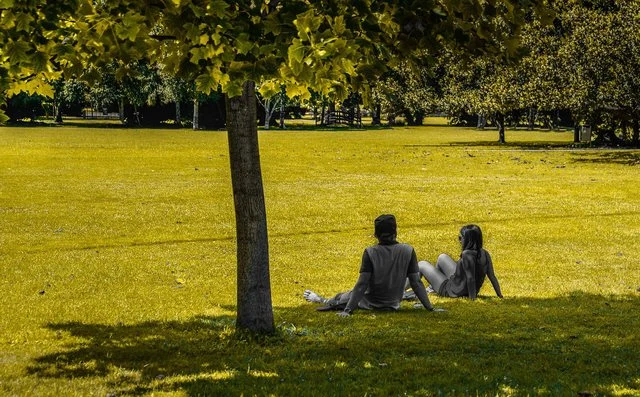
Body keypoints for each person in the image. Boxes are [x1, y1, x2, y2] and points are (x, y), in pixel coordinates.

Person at [304, 214, 444, 316]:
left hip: (369, 302)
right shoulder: (408, 251)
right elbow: (416, 282)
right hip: (392, 304)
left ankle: (320, 299)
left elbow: (362, 284)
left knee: (339, 298)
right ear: (395, 232)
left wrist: (348, 311)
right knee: (346, 296)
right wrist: (430, 308)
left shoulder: (371, 252)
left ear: (376, 234)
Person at [418, 224, 503, 300]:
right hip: (460, 286)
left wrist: (472, 299)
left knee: (421, 265)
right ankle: (432, 288)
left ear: (468, 240)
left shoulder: (467, 254)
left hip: (451, 291)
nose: (459, 240)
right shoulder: (485, 254)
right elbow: (492, 276)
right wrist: (500, 295)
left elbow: (471, 278)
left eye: (460, 238)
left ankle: (404, 290)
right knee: (442, 257)